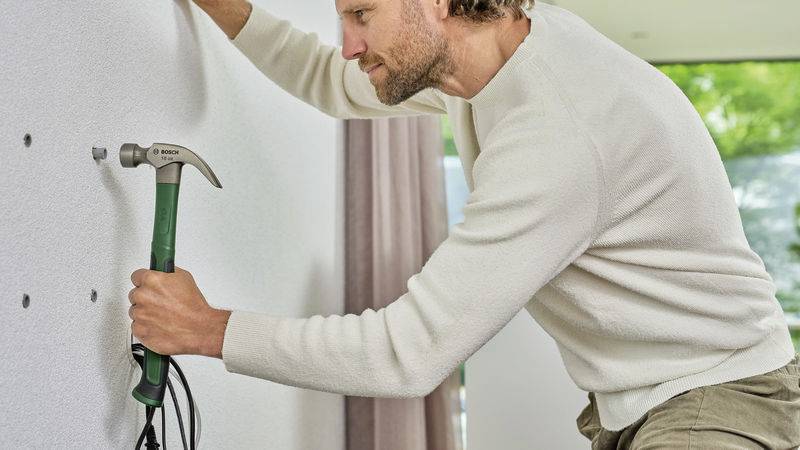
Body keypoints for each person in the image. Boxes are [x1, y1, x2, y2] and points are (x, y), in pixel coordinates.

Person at [127, 0, 800, 447]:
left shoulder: (558, 125)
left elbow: (408, 352)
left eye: (362, 12)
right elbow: (324, 79)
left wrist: (207, 329)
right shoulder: (485, 64)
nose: (349, 43)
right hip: (644, 408)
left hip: (720, 405)